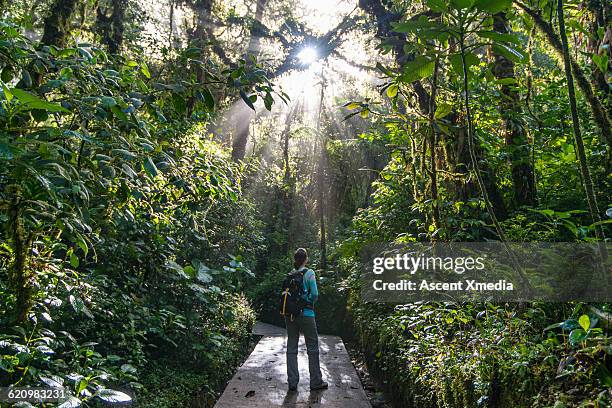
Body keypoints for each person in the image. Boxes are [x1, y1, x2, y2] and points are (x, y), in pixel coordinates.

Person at [285, 248, 328, 392]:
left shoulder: (290, 274)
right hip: (307, 314)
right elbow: (315, 293)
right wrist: (308, 302)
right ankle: (315, 381)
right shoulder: (309, 273)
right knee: (312, 347)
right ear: (306, 259)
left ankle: (292, 382)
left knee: (291, 347)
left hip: (290, 315)